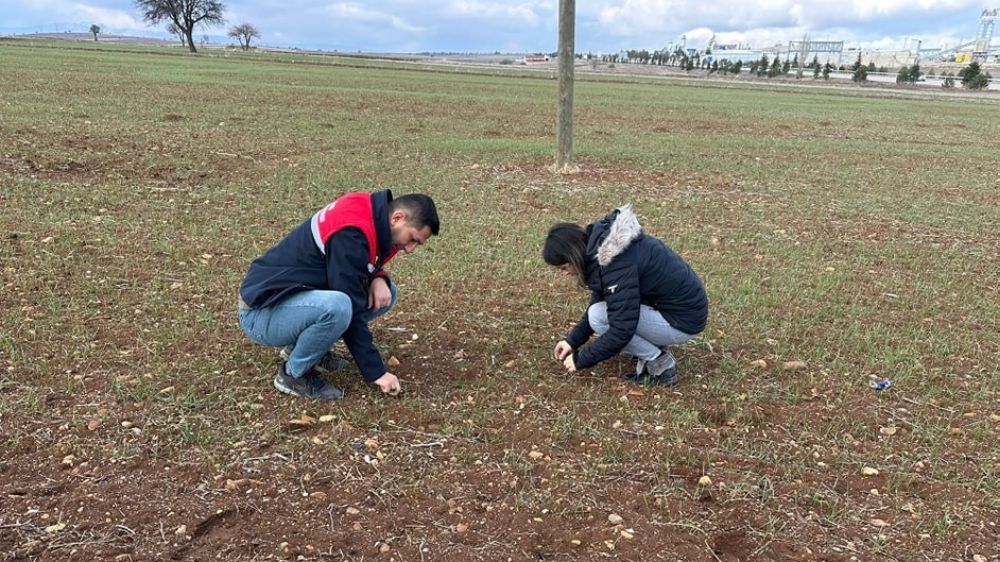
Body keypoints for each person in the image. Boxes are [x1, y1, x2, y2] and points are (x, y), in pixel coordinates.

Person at [238, 189, 439, 400]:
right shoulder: (351, 231)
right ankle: (293, 375)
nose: (409, 249)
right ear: (397, 218)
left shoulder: (373, 213)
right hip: (260, 313)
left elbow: (358, 263)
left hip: (289, 300)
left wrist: (379, 277)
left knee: (386, 293)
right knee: (340, 306)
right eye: (413, 239)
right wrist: (376, 372)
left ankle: (308, 349)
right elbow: (351, 301)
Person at [543, 205, 707, 385]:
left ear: (573, 255)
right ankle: (651, 344)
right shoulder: (602, 249)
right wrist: (572, 341)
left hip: (682, 322)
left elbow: (622, 329)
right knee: (601, 313)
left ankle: (660, 363)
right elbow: (604, 299)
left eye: (564, 267)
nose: (565, 273)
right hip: (675, 311)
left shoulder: (616, 263)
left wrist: (581, 359)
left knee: (599, 317)